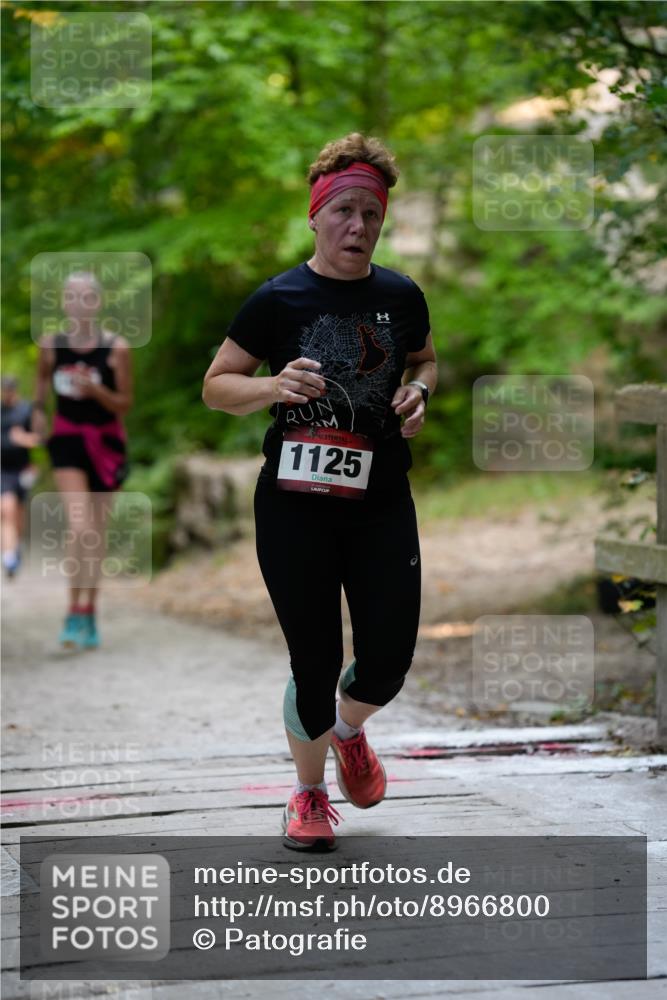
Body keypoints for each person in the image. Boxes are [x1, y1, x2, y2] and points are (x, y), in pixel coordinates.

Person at [203, 133, 437, 850]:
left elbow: (425, 360)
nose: (357, 226)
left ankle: (348, 731)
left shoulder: (400, 295)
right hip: (294, 506)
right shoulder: (278, 298)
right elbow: (216, 386)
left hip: (380, 502)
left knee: (388, 660)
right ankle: (307, 795)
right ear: (315, 215)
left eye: (371, 213)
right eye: (343, 211)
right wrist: (272, 386)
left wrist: (420, 390)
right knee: (314, 660)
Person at [33, 271, 133, 650]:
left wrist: (96, 390)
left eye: (87, 297)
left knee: (96, 533)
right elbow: (40, 388)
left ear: (98, 302)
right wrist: (37, 414)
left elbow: (124, 403)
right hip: (67, 442)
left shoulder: (117, 348)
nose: (79, 304)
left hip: (106, 444)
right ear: (63, 303)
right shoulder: (50, 345)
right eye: (72, 297)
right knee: (80, 527)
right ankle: (73, 612)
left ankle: (89, 610)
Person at [1, 376, 40, 577]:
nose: (7, 393)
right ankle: (8, 558)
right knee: (6, 510)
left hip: (22, 469)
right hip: (3, 470)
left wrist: (22, 439)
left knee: (18, 513)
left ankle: (16, 546)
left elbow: (39, 438)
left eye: (10, 389)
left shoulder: (26, 410)